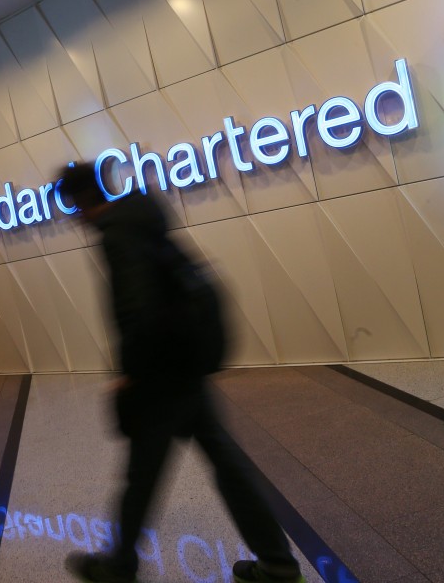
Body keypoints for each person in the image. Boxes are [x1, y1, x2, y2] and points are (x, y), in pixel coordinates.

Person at [59, 163, 304, 583]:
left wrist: (130, 373)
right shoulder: (141, 220)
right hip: (185, 365)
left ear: (79, 200)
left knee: (141, 476)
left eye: (71, 207)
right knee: (226, 465)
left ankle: (118, 566)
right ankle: (278, 564)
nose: (74, 217)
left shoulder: (117, 234)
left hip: (161, 376)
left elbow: (138, 307)